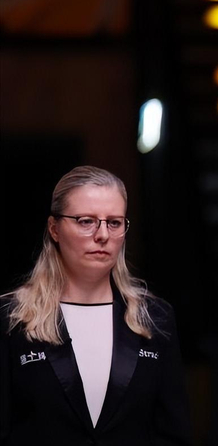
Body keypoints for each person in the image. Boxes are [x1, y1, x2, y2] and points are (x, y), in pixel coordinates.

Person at [0, 166, 192, 446]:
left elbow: (173, 433)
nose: (102, 234)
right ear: (54, 228)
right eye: (86, 221)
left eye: (114, 222)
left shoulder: (154, 317)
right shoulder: (11, 317)